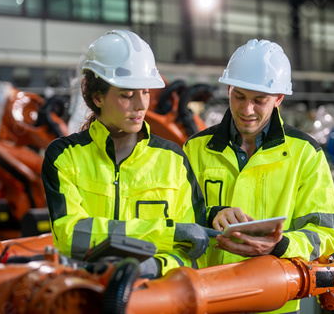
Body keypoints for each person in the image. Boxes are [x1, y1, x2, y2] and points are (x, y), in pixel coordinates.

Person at [42, 30, 217, 279]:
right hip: (88, 296)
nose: (141, 104)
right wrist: (166, 232)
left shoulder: (173, 160)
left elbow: (192, 250)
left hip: (155, 301)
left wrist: (153, 267)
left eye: (145, 92)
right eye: (127, 95)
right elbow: (72, 236)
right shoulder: (64, 157)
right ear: (98, 97)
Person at [183, 39, 334, 313]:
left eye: (260, 101)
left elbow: (324, 234)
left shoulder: (305, 154)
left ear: (279, 98)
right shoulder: (195, 148)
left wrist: (281, 245)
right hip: (208, 297)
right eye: (239, 96)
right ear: (229, 89)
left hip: (273, 303)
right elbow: (174, 218)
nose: (247, 110)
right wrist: (211, 215)